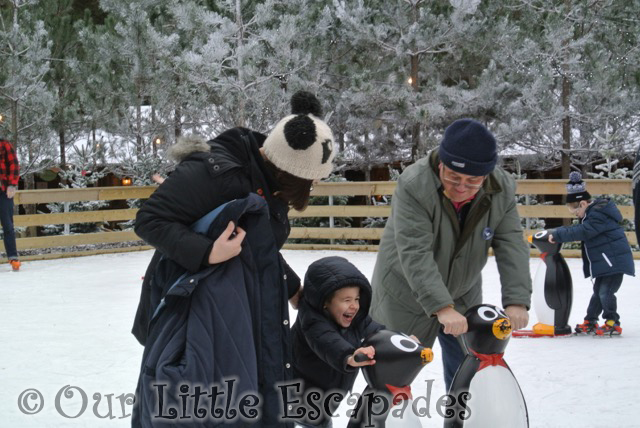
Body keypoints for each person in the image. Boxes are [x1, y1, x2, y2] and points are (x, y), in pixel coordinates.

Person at [131, 90, 335, 427]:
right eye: (311, 179)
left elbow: (256, 244)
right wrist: (207, 252)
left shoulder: (266, 176)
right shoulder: (215, 173)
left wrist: (291, 287)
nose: (314, 184)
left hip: (234, 307)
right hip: (189, 316)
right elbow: (150, 220)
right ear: (290, 170)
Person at [369, 118, 532, 392]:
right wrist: (441, 307)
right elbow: (414, 250)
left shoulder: (500, 188)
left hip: (462, 291)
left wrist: (517, 299)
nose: (461, 188)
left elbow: (511, 242)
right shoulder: (414, 184)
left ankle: (459, 420)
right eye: (453, 177)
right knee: (391, 373)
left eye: (473, 181)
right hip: (405, 292)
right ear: (441, 163)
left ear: (486, 175)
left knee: (467, 369)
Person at [291, 256, 384, 427]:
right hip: (300, 393)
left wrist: (399, 339)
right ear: (325, 302)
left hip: (326, 392)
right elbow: (328, 342)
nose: (354, 306)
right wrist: (349, 357)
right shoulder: (312, 322)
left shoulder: (354, 317)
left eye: (356, 299)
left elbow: (376, 330)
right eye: (347, 300)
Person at [548, 171, 634, 336]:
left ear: (582, 204)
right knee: (598, 292)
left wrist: (558, 234)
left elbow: (583, 232)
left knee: (605, 292)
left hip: (614, 262)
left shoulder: (597, 215)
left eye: (575, 211)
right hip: (607, 261)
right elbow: (581, 229)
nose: (575, 215)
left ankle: (612, 321)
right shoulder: (592, 215)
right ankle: (591, 320)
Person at [0, 138, 20, 271]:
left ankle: (13, 257)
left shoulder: (4, 144)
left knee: (7, 225)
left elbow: (14, 165)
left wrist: (12, 184)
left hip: (3, 191)